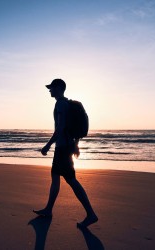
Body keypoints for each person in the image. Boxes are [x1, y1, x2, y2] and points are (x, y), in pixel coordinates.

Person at [33, 78, 98, 228]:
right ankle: (49, 209)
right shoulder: (67, 103)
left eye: (52, 87)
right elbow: (71, 128)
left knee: (71, 181)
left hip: (62, 149)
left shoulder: (61, 104)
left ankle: (91, 214)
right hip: (65, 147)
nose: (49, 90)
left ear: (59, 88)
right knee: (56, 176)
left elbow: (61, 127)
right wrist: (75, 144)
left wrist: (47, 145)